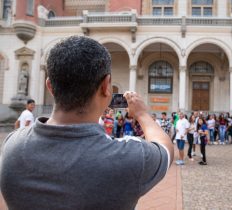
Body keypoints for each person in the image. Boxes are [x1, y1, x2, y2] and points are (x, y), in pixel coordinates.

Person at [0, 36, 174, 210]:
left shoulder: (11, 145)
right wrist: (142, 114)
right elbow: (165, 149)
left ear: (50, 86)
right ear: (106, 86)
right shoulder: (128, 157)